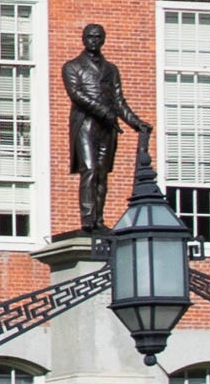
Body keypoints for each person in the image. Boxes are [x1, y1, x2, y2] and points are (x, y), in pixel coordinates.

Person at [58, 20, 153, 237]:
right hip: (85, 125)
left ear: (103, 40)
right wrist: (102, 111)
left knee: (102, 174)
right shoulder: (72, 66)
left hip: (107, 127)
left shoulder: (111, 69)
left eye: (98, 37)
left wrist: (135, 122)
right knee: (89, 169)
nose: (94, 40)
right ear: (83, 39)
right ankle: (88, 219)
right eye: (90, 36)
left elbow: (119, 100)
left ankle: (99, 220)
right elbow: (77, 95)